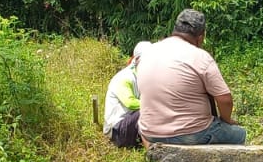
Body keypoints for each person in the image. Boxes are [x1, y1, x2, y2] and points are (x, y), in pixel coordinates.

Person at [137, 8, 246, 146]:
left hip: (150, 133)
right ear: (201, 37)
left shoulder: (148, 52)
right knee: (239, 134)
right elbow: (225, 100)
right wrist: (226, 120)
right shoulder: (199, 56)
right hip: (191, 134)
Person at [102, 42, 145, 149]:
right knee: (150, 110)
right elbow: (130, 103)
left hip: (129, 124)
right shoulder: (124, 77)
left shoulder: (142, 77)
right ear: (137, 60)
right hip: (117, 130)